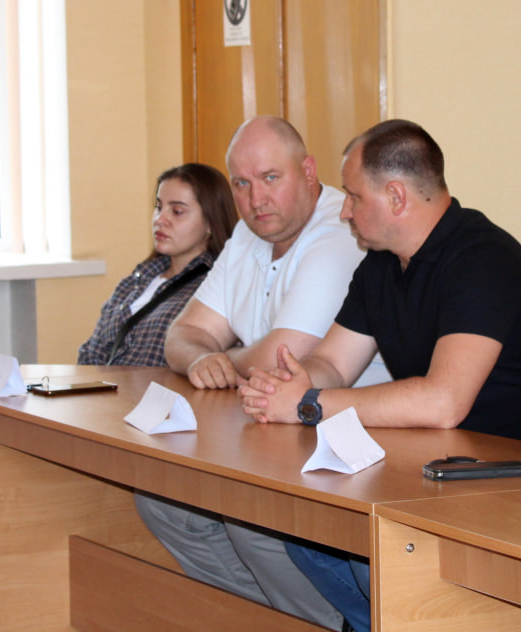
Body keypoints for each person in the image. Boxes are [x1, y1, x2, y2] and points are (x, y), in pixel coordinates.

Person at [240, 119, 521, 632]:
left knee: (365, 554)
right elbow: (333, 364)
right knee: (306, 535)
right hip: (434, 468)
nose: (343, 210)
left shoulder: (483, 259)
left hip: (516, 483)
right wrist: (293, 383)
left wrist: (310, 403)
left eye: (352, 196)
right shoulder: (381, 264)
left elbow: (442, 402)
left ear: (395, 196)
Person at [135, 116, 382, 631]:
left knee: (252, 522)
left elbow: (283, 356)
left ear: (308, 172)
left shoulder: (341, 231)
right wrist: (202, 358)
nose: (255, 199)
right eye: (241, 184)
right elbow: (183, 335)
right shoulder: (249, 235)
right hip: (264, 434)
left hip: (348, 447)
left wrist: (222, 357)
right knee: (161, 501)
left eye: (271, 178)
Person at [77, 163, 236, 366]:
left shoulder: (214, 289)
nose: (160, 220)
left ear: (211, 222)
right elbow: (90, 355)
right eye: (159, 207)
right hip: (102, 387)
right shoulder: (137, 278)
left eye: (177, 211)